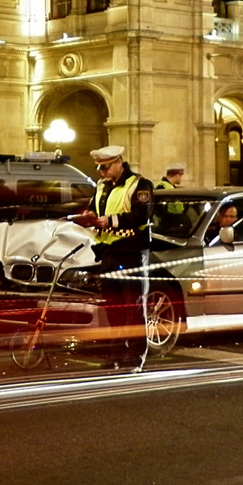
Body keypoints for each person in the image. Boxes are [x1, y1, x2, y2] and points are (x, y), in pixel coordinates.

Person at [74, 145, 154, 369]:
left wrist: (111, 221)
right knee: (114, 307)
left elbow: (142, 213)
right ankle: (117, 353)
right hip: (108, 252)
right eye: (99, 168)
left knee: (134, 306)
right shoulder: (102, 186)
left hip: (131, 251)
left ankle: (136, 355)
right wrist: (88, 216)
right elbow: (94, 208)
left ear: (119, 162)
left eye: (106, 167)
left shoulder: (139, 184)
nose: (102, 173)